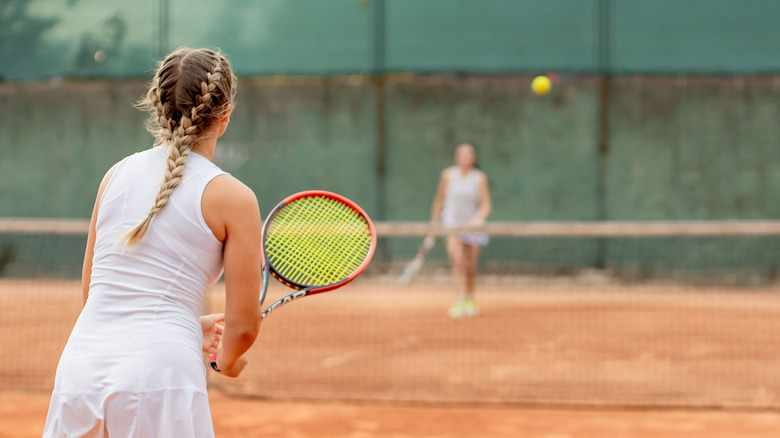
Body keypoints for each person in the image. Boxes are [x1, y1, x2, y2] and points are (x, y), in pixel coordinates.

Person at [43, 48, 263, 437]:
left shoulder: (115, 175)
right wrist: (227, 361)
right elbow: (243, 328)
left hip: (79, 372)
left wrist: (187, 326)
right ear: (225, 114)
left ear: (157, 107)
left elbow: (97, 296)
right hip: (160, 378)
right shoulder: (234, 197)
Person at [430, 143, 492, 318]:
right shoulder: (448, 175)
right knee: (457, 262)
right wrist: (434, 224)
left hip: (474, 227)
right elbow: (439, 200)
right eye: (462, 154)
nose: (465, 157)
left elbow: (486, 206)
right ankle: (459, 299)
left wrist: (475, 221)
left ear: (474, 158)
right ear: (456, 157)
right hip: (452, 224)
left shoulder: (480, 178)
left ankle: (470, 298)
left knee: (470, 266)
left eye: (469, 154)